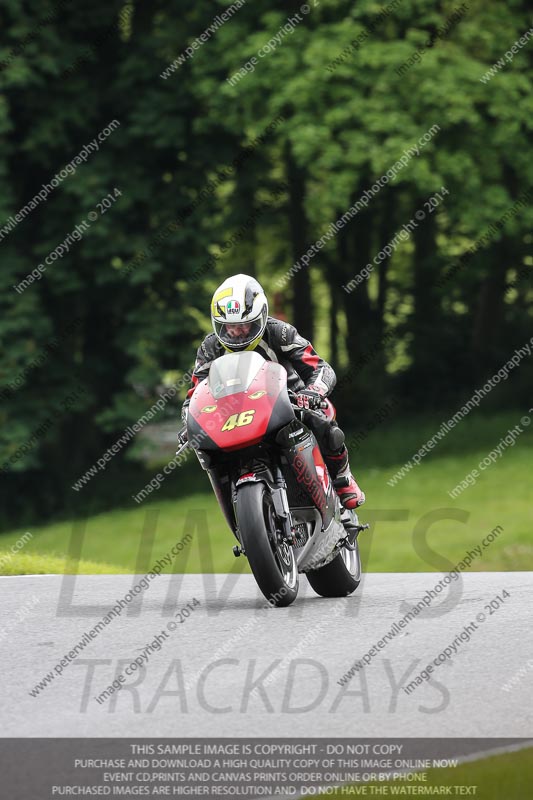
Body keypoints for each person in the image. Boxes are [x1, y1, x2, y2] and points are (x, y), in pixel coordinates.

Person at [181, 274, 365, 509]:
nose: (237, 333)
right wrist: (188, 421)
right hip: (234, 415)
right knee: (205, 449)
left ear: (261, 316)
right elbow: (196, 392)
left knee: (323, 418)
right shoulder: (210, 347)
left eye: (244, 325)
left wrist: (313, 392)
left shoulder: (280, 333)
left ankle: (343, 477)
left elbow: (319, 367)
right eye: (229, 326)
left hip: (289, 401)